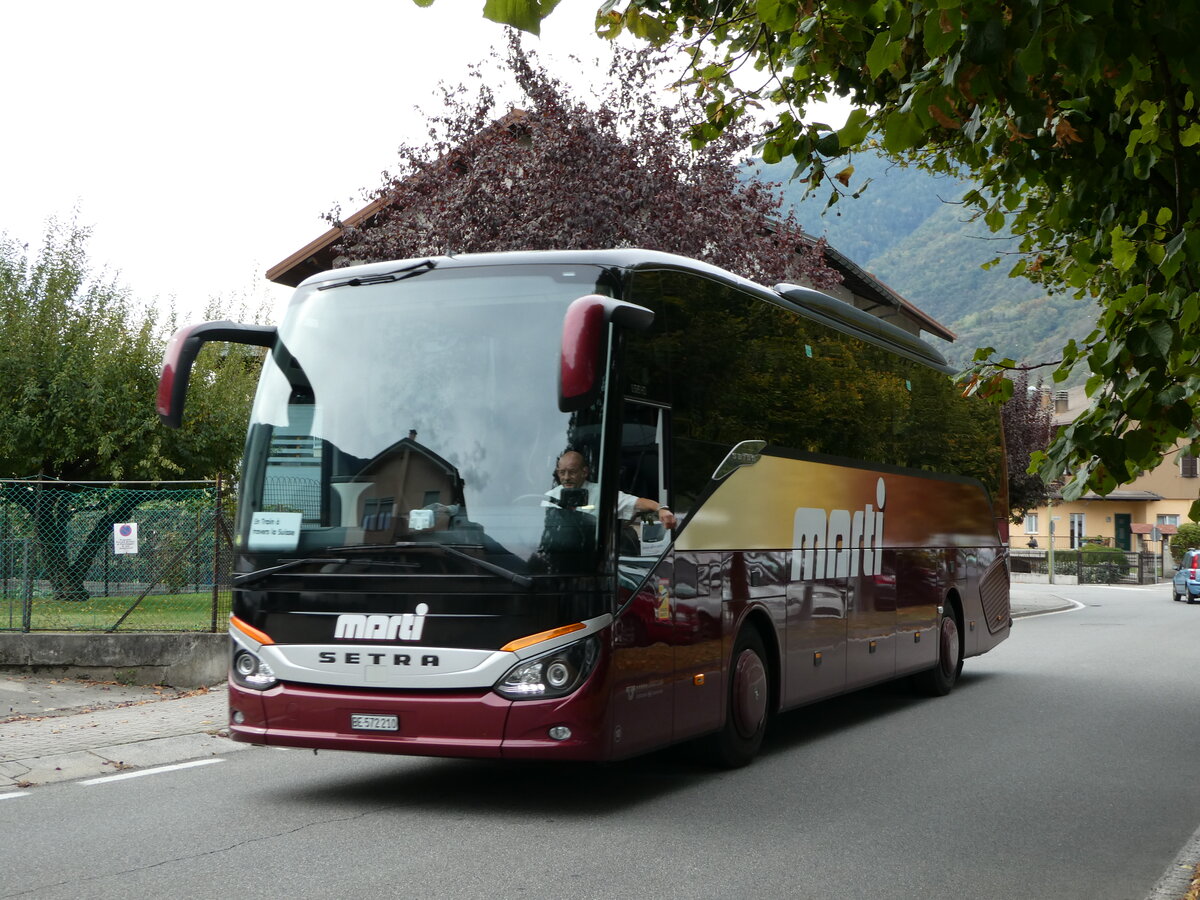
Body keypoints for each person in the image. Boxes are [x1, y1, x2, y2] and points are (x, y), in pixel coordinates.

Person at [543, 450, 678, 529]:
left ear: (584, 472)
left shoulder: (601, 493)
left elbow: (637, 502)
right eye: (562, 472)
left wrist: (661, 509)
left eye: (572, 472)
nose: (566, 477)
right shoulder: (551, 497)